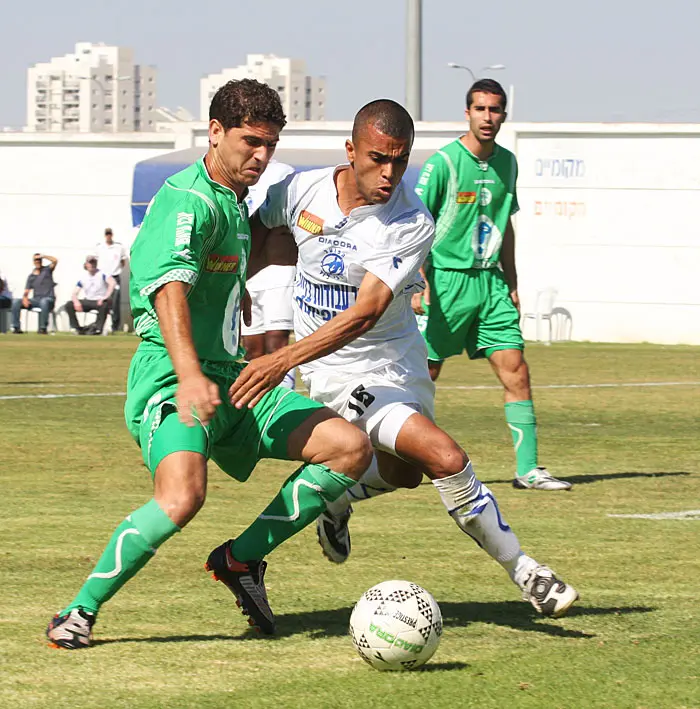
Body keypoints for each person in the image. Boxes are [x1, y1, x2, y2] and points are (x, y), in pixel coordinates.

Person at [213, 99, 578, 635]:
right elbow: (259, 229)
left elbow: (364, 314)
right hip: (340, 373)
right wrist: (234, 282)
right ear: (351, 151)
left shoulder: (409, 220)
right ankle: (526, 572)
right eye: (378, 158)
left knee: (406, 473)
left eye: (400, 161)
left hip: (396, 360)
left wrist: (280, 358)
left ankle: (334, 499)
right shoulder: (302, 190)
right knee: (446, 457)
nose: (389, 174)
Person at [46, 79, 375, 649]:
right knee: (182, 497)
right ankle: (77, 612)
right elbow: (169, 287)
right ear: (215, 132)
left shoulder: (233, 199)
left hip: (234, 378)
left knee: (349, 449)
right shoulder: (185, 199)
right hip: (173, 380)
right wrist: (192, 373)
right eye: (251, 141)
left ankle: (241, 559)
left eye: (270, 144)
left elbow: (222, 268)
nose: (262, 155)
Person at [413, 79, 570, 491]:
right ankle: (402, 461)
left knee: (516, 371)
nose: (488, 117)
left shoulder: (509, 163)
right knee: (423, 374)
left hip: (492, 285)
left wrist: (513, 282)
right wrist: (418, 282)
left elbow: (507, 225)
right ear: (467, 113)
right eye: (480, 109)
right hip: (446, 284)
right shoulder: (443, 163)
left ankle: (529, 470)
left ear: (504, 114)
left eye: (495, 110)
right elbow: (416, 226)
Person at [241, 160, 297, 389]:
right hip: (246, 273)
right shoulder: (235, 173)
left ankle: (283, 408)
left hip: (278, 270)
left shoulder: (283, 172)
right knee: (251, 348)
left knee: (277, 345)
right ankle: (256, 409)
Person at [63, 256, 116, 335]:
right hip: (88, 300)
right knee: (69, 305)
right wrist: (76, 301)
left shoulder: (103, 274)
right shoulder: (83, 278)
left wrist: (105, 297)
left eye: (94, 263)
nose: (92, 265)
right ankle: (76, 328)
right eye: (90, 263)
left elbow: (112, 283)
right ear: (86, 264)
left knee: (104, 305)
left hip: (100, 300)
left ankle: (98, 328)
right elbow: (74, 293)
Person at [10, 253, 58, 334]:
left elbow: (55, 260)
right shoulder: (31, 276)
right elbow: (26, 291)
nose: (38, 261)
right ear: (33, 261)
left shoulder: (47, 270)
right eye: (36, 260)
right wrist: (25, 298)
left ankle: (43, 328)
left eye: (39, 259)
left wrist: (43, 256)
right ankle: (16, 327)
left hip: (48, 299)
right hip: (36, 300)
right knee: (16, 302)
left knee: (44, 302)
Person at [95, 228, 128, 332]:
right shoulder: (99, 247)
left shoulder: (119, 247)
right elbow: (96, 261)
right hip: (103, 277)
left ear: (112, 235)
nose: (108, 236)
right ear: (105, 235)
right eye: (107, 234)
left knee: (115, 302)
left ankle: (115, 326)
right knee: (101, 300)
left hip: (114, 276)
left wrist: (117, 270)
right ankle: (99, 325)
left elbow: (123, 261)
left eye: (110, 234)